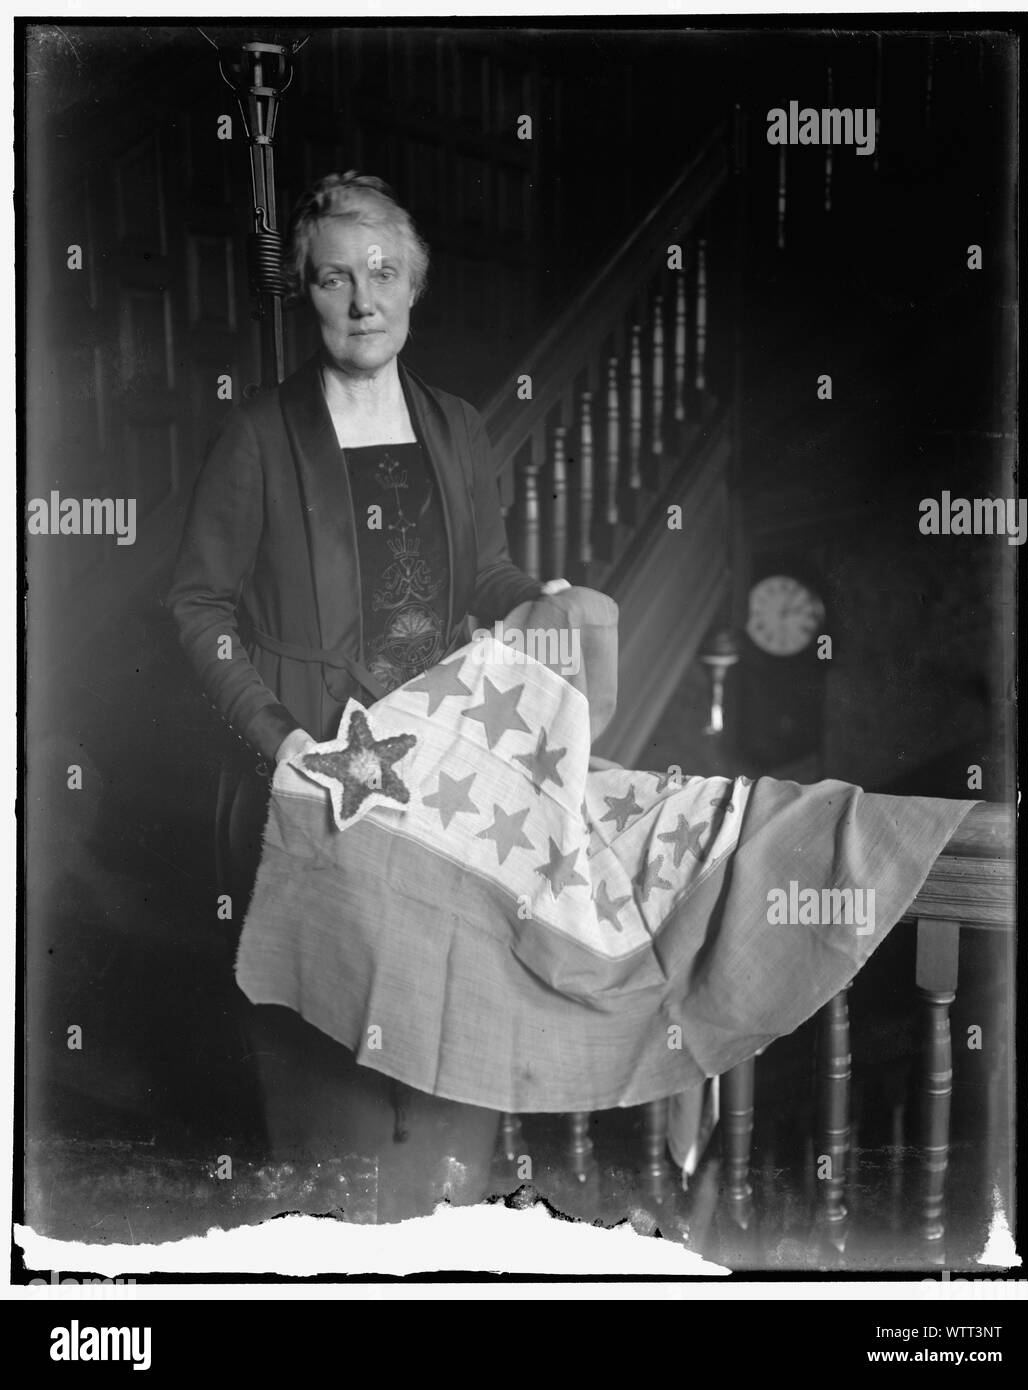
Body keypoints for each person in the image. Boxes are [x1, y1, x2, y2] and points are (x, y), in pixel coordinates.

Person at [167, 171, 564, 1217]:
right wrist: (275, 736)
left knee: (441, 1057)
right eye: (335, 277)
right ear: (306, 291)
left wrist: (539, 601)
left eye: (382, 272)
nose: (362, 299)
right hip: (309, 787)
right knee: (326, 1083)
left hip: (434, 788)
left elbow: (486, 577)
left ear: (414, 285)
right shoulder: (258, 434)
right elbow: (196, 606)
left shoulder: (458, 428)